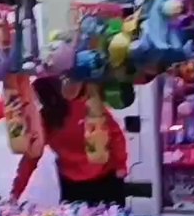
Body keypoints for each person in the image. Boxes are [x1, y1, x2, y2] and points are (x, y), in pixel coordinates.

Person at [12, 76, 128, 205]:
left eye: (38, 101)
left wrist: (120, 165)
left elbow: (115, 134)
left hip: (104, 178)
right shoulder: (43, 122)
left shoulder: (83, 106)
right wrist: (16, 191)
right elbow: (30, 158)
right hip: (71, 183)